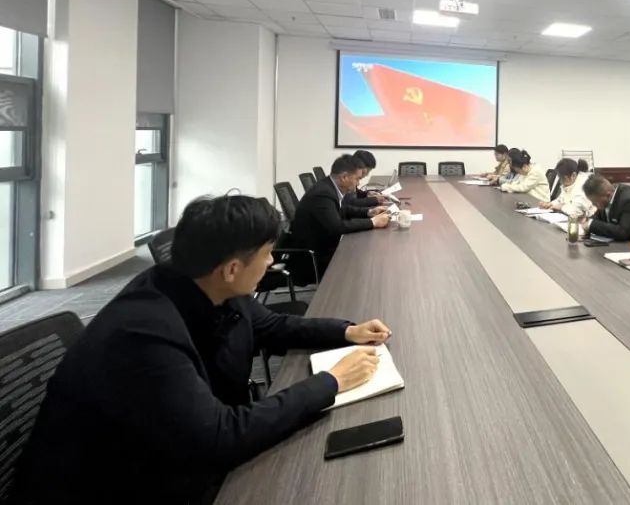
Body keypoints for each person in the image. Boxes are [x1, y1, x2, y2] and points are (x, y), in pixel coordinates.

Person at [14, 195, 394, 504]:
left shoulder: (210, 285)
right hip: (118, 486)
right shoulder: (142, 334)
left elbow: (272, 326)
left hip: (171, 450)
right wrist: (331, 381)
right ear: (231, 269)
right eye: (267, 253)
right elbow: (220, 438)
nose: (271, 262)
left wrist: (346, 331)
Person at [287, 154, 389, 282]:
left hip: (323, 247)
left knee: (366, 252)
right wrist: (372, 222)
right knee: (365, 260)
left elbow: (342, 209)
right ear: (344, 177)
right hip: (312, 258)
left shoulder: (328, 186)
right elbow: (337, 227)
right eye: (357, 179)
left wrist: (369, 212)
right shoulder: (323, 193)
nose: (358, 183)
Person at [582, 175, 630, 242]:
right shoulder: (605, 201)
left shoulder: (629, 201)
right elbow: (597, 219)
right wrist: (588, 222)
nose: (594, 205)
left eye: (595, 202)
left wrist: (591, 225)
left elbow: (622, 232)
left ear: (608, 195)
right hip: (622, 245)